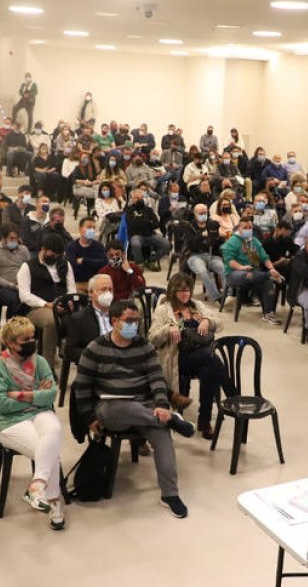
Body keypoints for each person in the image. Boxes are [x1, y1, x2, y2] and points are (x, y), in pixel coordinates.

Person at [72, 300, 195, 518]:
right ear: (114, 322)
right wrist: (89, 417)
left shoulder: (144, 345)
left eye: (136, 321)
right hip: (110, 407)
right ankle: (171, 419)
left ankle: (170, 494)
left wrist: (160, 404)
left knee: (163, 438)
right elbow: (82, 387)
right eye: (129, 321)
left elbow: (156, 378)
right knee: (116, 409)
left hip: (144, 406)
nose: (134, 325)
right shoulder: (95, 348)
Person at [0, 316, 65, 529]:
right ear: (11, 343)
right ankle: (54, 500)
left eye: (33, 337)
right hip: (9, 422)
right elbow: (1, 404)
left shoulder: (39, 361)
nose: (32, 342)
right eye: (25, 339)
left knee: (54, 429)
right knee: (48, 451)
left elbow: (51, 395)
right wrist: (35, 394)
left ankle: (37, 486)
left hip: (39, 413)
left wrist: (20, 395)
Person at [148, 274, 232, 437]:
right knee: (211, 359)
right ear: (173, 291)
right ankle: (232, 396)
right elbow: (152, 338)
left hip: (201, 355)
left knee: (210, 368)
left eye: (187, 290)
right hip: (177, 357)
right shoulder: (163, 309)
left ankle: (204, 419)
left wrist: (207, 320)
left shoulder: (197, 305)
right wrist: (168, 328)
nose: (185, 294)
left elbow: (220, 322)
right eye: (180, 291)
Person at [17, 235, 76, 362]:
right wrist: (46, 304)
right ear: (43, 249)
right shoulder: (27, 267)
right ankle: (48, 365)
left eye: (58, 255)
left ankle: (72, 355)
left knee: (80, 318)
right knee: (51, 321)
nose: (55, 258)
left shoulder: (65, 264)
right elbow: (24, 295)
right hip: (38, 308)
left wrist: (69, 301)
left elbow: (71, 288)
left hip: (62, 303)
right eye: (53, 254)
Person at [221, 219, 285, 325]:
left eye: (250, 228)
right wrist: (242, 267)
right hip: (235, 273)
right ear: (239, 229)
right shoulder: (232, 241)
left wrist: (272, 268)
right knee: (250, 275)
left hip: (254, 273)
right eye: (245, 228)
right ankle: (270, 275)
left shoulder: (254, 241)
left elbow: (264, 258)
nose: (248, 230)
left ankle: (268, 314)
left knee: (266, 281)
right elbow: (229, 261)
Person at [0, 224, 31, 313]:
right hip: (1, 287)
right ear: (3, 238)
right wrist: (13, 286)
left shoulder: (23, 249)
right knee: (13, 298)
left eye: (16, 238)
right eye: (11, 238)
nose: (14, 241)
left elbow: (30, 269)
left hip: (22, 284)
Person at [183, 203, 225, 302]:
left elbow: (218, 244)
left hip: (212, 255)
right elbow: (191, 244)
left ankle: (228, 295)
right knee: (203, 271)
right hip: (195, 255)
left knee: (224, 269)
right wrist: (202, 235)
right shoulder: (189, 226)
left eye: (205, 212)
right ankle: (217, 296)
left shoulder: (212, 224)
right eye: (200, 213)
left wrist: (218, 236)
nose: (203, 214)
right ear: (195, 213)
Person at [124, 188, 170, 269]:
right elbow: (132, 225)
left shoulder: (148, 209)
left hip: (150, 234)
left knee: (166, 244)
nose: (140, 200)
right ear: (132, 199)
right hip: (136, 235)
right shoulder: (129, 210)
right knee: (135, 243)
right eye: (137, 198)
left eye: (141, 198)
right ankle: (140, 263)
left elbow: (156, 223)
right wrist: (148, 222)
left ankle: (151, 260)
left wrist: (142, 222)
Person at [65, 216, 109, 290]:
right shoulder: (71, 247)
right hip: (78, 284)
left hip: (96, 284)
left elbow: (104, 263)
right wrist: (94, 263)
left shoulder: (99, 246)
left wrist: (84, 261)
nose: (92, 230)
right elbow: (73, 267)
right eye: (89, 227)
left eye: (93, 228)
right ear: (80, 229)